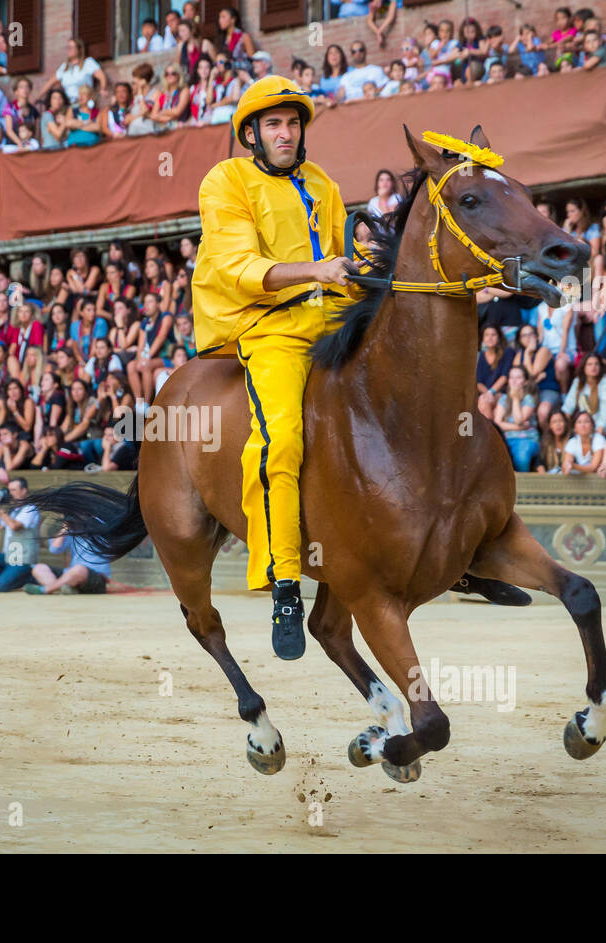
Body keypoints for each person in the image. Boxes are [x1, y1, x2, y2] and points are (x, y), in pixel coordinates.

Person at [190, 75, 366, 660]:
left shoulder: (325, 184)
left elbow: (349, 261)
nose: (286, 133)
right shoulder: (226, 180)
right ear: (251, 134)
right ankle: (285, 584)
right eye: (273, 124)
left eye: (292, 123)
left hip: (335, 318)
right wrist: (315, 272)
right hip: (272, 331)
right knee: (280, 440)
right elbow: (239, 266)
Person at [25, 525, 112, 595]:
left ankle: (46, 589)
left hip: (96, 576)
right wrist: (65, 528)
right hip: (71, 574)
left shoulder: (102, 526)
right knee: (39, 568)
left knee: (79, 569)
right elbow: (54, 549)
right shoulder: (72, 530)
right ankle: (62, 589)